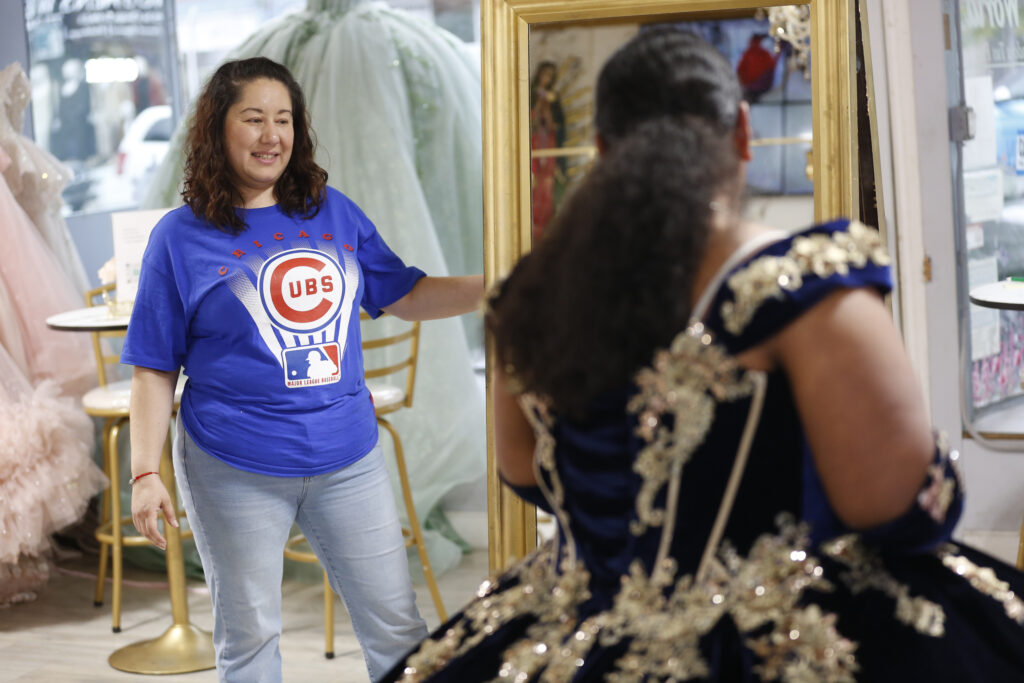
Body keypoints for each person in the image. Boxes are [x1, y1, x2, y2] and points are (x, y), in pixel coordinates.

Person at [383, 28, 1024, 681]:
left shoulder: (527, 294)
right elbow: (891, 504)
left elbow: (524, 472)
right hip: (762, 637)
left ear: (602, 148)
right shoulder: (802, 284)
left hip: (571, 629)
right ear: (742, 131)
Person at [122, 57, 483, 683]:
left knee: (399, 630)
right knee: (250, 640)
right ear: (218, 129)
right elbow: (154, 367)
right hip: (233, 465)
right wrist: (145, 473)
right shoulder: (178, 238)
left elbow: (404, 293)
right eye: (253, 119)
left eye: (283, 119)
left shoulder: (333, 212)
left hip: (349, 458)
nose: (272, 136)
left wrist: (496, 286)